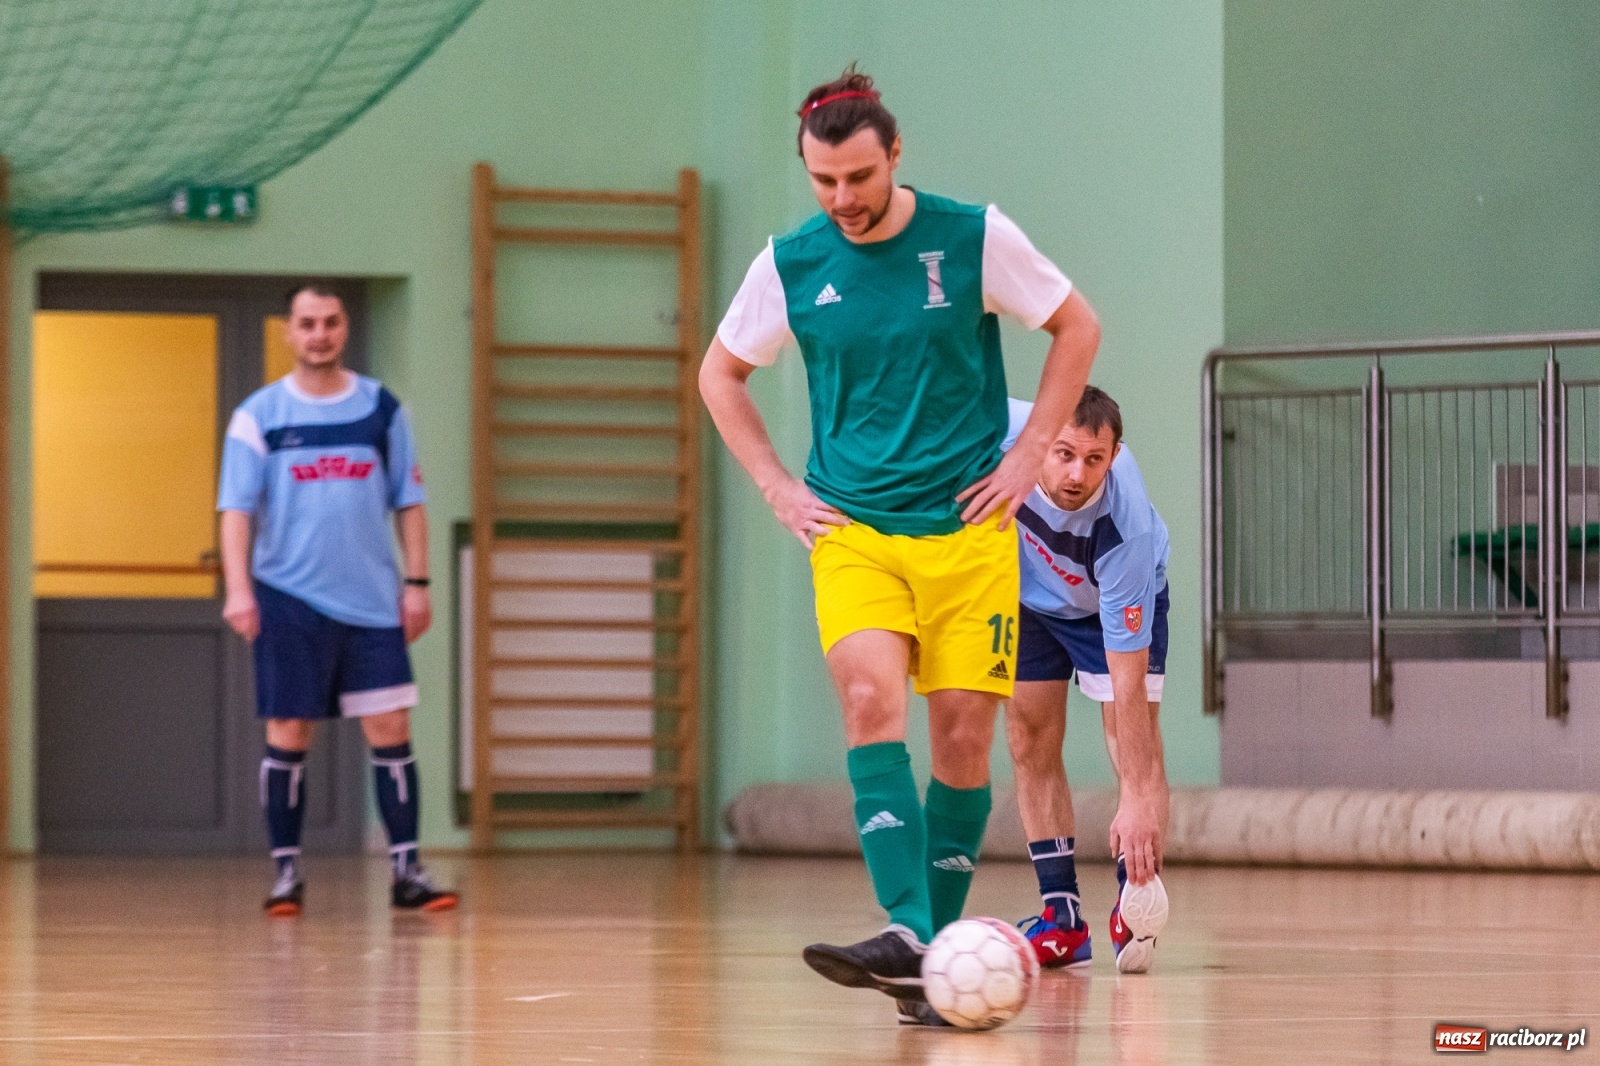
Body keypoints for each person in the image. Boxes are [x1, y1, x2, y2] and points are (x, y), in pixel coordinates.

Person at [698, 66, 1101, 1025]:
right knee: (871, 697)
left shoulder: (971, 237)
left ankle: (926, 957)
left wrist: (1029, 454)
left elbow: (1076, 326)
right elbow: (720, 375)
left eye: (860, 179)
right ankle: (912, 933)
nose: (842, 200)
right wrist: (777, 488)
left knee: (963, 737)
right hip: (855, 532)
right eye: (824, 181)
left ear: (895, 155)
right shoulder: (791, 263)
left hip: (968, 535)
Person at [218, 284, 459, 916]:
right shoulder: (259, 414)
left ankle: (407, 871)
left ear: (344, 328)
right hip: (287, 599)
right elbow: (235, 510)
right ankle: (285, 875)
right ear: (288, 333)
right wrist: (239, 590)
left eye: (329, 322)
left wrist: (418, 584)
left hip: (374, 603)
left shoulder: (381, 409)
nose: (318, 334)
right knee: (289, 732)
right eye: (306, 323)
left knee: (391, 729)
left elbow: (409, 501)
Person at [1002, 387, 1171, 973]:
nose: (1077, 474)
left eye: (1094, 460)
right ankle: (1062, 920)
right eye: (1064, 454)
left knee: (1131, 741)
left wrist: (1134, 800)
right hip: (1027, 600)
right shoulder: (996, 432)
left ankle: (1136, 901)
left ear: (1114, 454)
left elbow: (1126, 687)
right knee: (1027, 737)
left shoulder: (1126, 531)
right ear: (1040, 439)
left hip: (1107, 605)